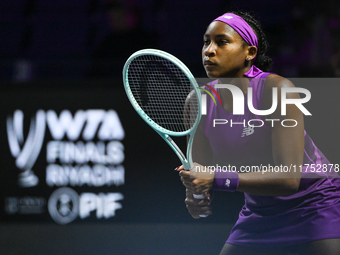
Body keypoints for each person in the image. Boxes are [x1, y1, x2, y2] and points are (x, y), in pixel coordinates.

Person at [177, 11, 340, 255]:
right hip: (259, 212)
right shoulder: (197, 102)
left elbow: (289, 180)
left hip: (315, 206)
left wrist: (215, 178)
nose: (209, 51)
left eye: (222, 42)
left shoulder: (276, 89)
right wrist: (196, 195)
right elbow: (202, 170)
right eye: (206, 42)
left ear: (250, 53)